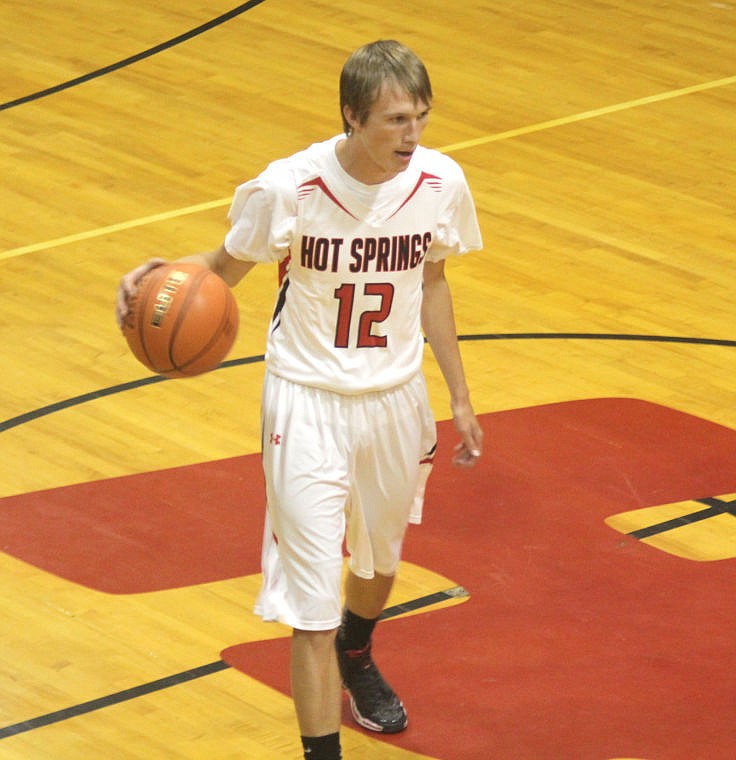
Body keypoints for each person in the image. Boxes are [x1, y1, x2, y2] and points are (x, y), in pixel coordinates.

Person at [117, 39, 483, 760]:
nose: (413, 136)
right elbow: (224, 268)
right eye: (396, 120)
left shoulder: (441, 182)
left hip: (395, 399)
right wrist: (159, 274)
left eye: (420, 118)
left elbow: (434, 282)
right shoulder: (292, 188)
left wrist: (461, 396)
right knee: (307, 606)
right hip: (306, 404)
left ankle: (359, 649)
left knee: (379, 561)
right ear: (351, 116)